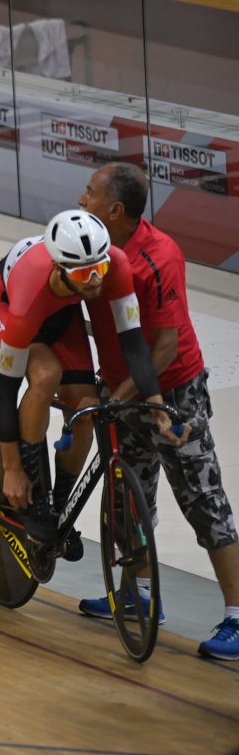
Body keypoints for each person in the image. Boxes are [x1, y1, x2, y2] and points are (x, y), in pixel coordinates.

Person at [75, 162, 239, 660]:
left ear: (115, 209)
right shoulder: (84, 240)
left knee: (203, 499)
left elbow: (164, 348)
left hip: (174, 391)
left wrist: (123, 393)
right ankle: (138, 595)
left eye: (89, 193)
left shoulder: (160, 255)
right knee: (129, 495)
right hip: (120, 389)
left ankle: (237, 616)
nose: (81, 200)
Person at [0, 209, 183, 547]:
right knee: (45, 375)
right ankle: (33, 499)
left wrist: (156, 403)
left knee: (85, 413)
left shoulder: (114, 264)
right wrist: (12, 468)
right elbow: (7, 389)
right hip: (8, 306)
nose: (96, 280)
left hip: (59, 310)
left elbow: (133, 343)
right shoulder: (30, 292)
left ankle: (59, 508)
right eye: (85, 272)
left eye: (99, 268)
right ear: (60, 268)